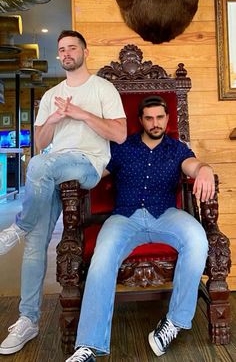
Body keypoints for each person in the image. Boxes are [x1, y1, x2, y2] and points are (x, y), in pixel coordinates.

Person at [0, 30, 127, 355]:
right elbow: (40, 143)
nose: (67, 53)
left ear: (85, 50)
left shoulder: (103, 88)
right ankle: (28, 320)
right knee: (35, 243)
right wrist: (56, 117)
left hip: (87, 166)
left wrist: (80, 114)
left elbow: (121, 134)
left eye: (73, 47)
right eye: (62, 50)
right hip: (54, 172)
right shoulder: (52, 94)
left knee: (40, 165)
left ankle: (18, 226)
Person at [66, 95, 215, 362]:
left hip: (165, 215)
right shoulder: (122, 148)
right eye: (149, 118)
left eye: (160, 117)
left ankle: (175, 321)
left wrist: (204, 169)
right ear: (140, 120)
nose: (155, 123)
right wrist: (72, 170)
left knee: (197, 238)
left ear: (168, 119)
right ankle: (89, 345)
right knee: (102, 257)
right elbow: (95, 173)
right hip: (125, 217)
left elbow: (192, 166)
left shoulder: (177, 149)